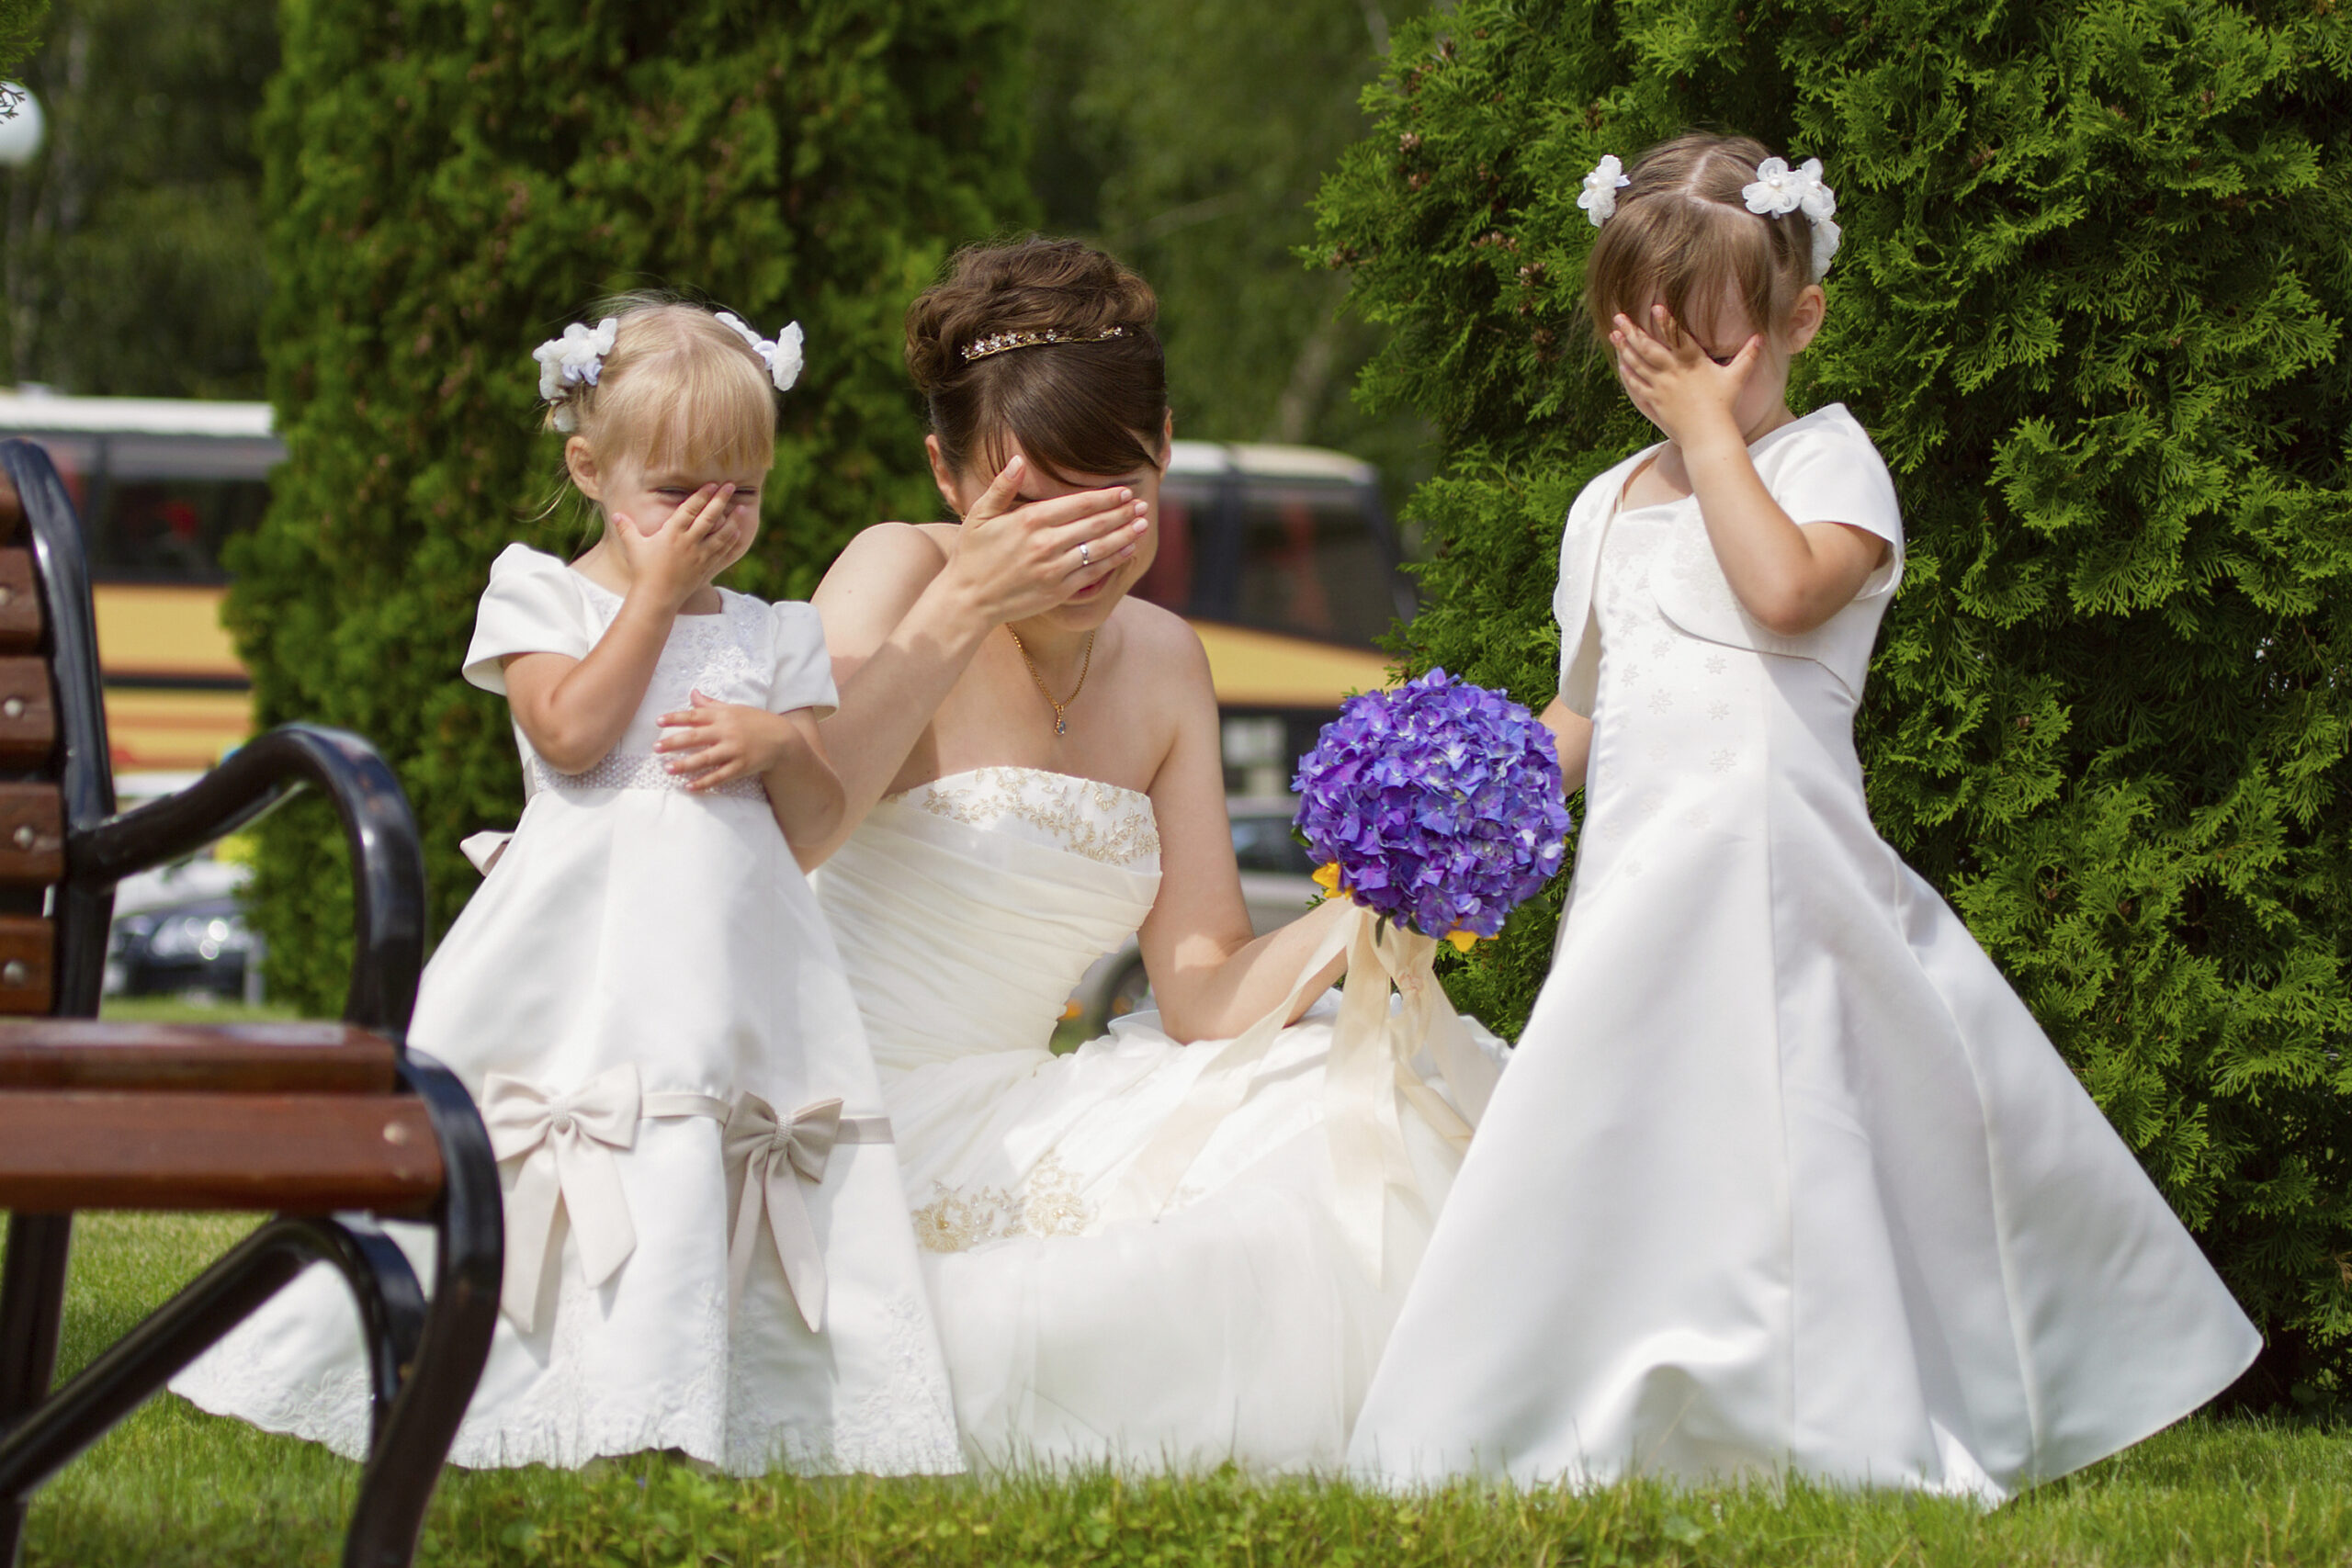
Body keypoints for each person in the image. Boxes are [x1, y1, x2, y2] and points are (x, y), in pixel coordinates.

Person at [1345, 133, 2261, 1500]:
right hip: (1642, 874)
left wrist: (1713, 436)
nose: (1684, 396)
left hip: (1780, 868)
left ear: (1799, 322)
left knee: (1801, 1134)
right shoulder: (1604, 504)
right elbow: (1589, 703)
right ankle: (1596, 1398)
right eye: (1651, 362)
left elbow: (1780, 594)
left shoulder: (1834, 466)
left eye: (1720, 361)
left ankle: (1839, 1413)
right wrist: (1465, 806)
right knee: (1627, 1128)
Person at [655, 237, 1504, 1471]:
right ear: (947, 474)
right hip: (838, 1098)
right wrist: (961, 607)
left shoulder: (1165, 662)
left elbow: (1204, 988)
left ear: (1160, 444)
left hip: (1016, 1091)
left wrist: (1377, 900)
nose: (1079, 547)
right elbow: (798, 822)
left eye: (1111, 495)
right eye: (1030, 506)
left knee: (1356, 1098)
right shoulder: (893, 573)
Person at [175, 296, 967, 1477]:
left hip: (736, 964)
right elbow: (574, 739)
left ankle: (715, 1398)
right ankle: (528, 1379)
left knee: (714, 1139)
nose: (710, 525)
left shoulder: (774, 633)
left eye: (739, 495)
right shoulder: (541, 596)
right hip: (579, 952)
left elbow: (810, 832)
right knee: (569, 1145)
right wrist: (649, 600)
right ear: (589, 470)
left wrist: (780, 745)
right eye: (677, 494)